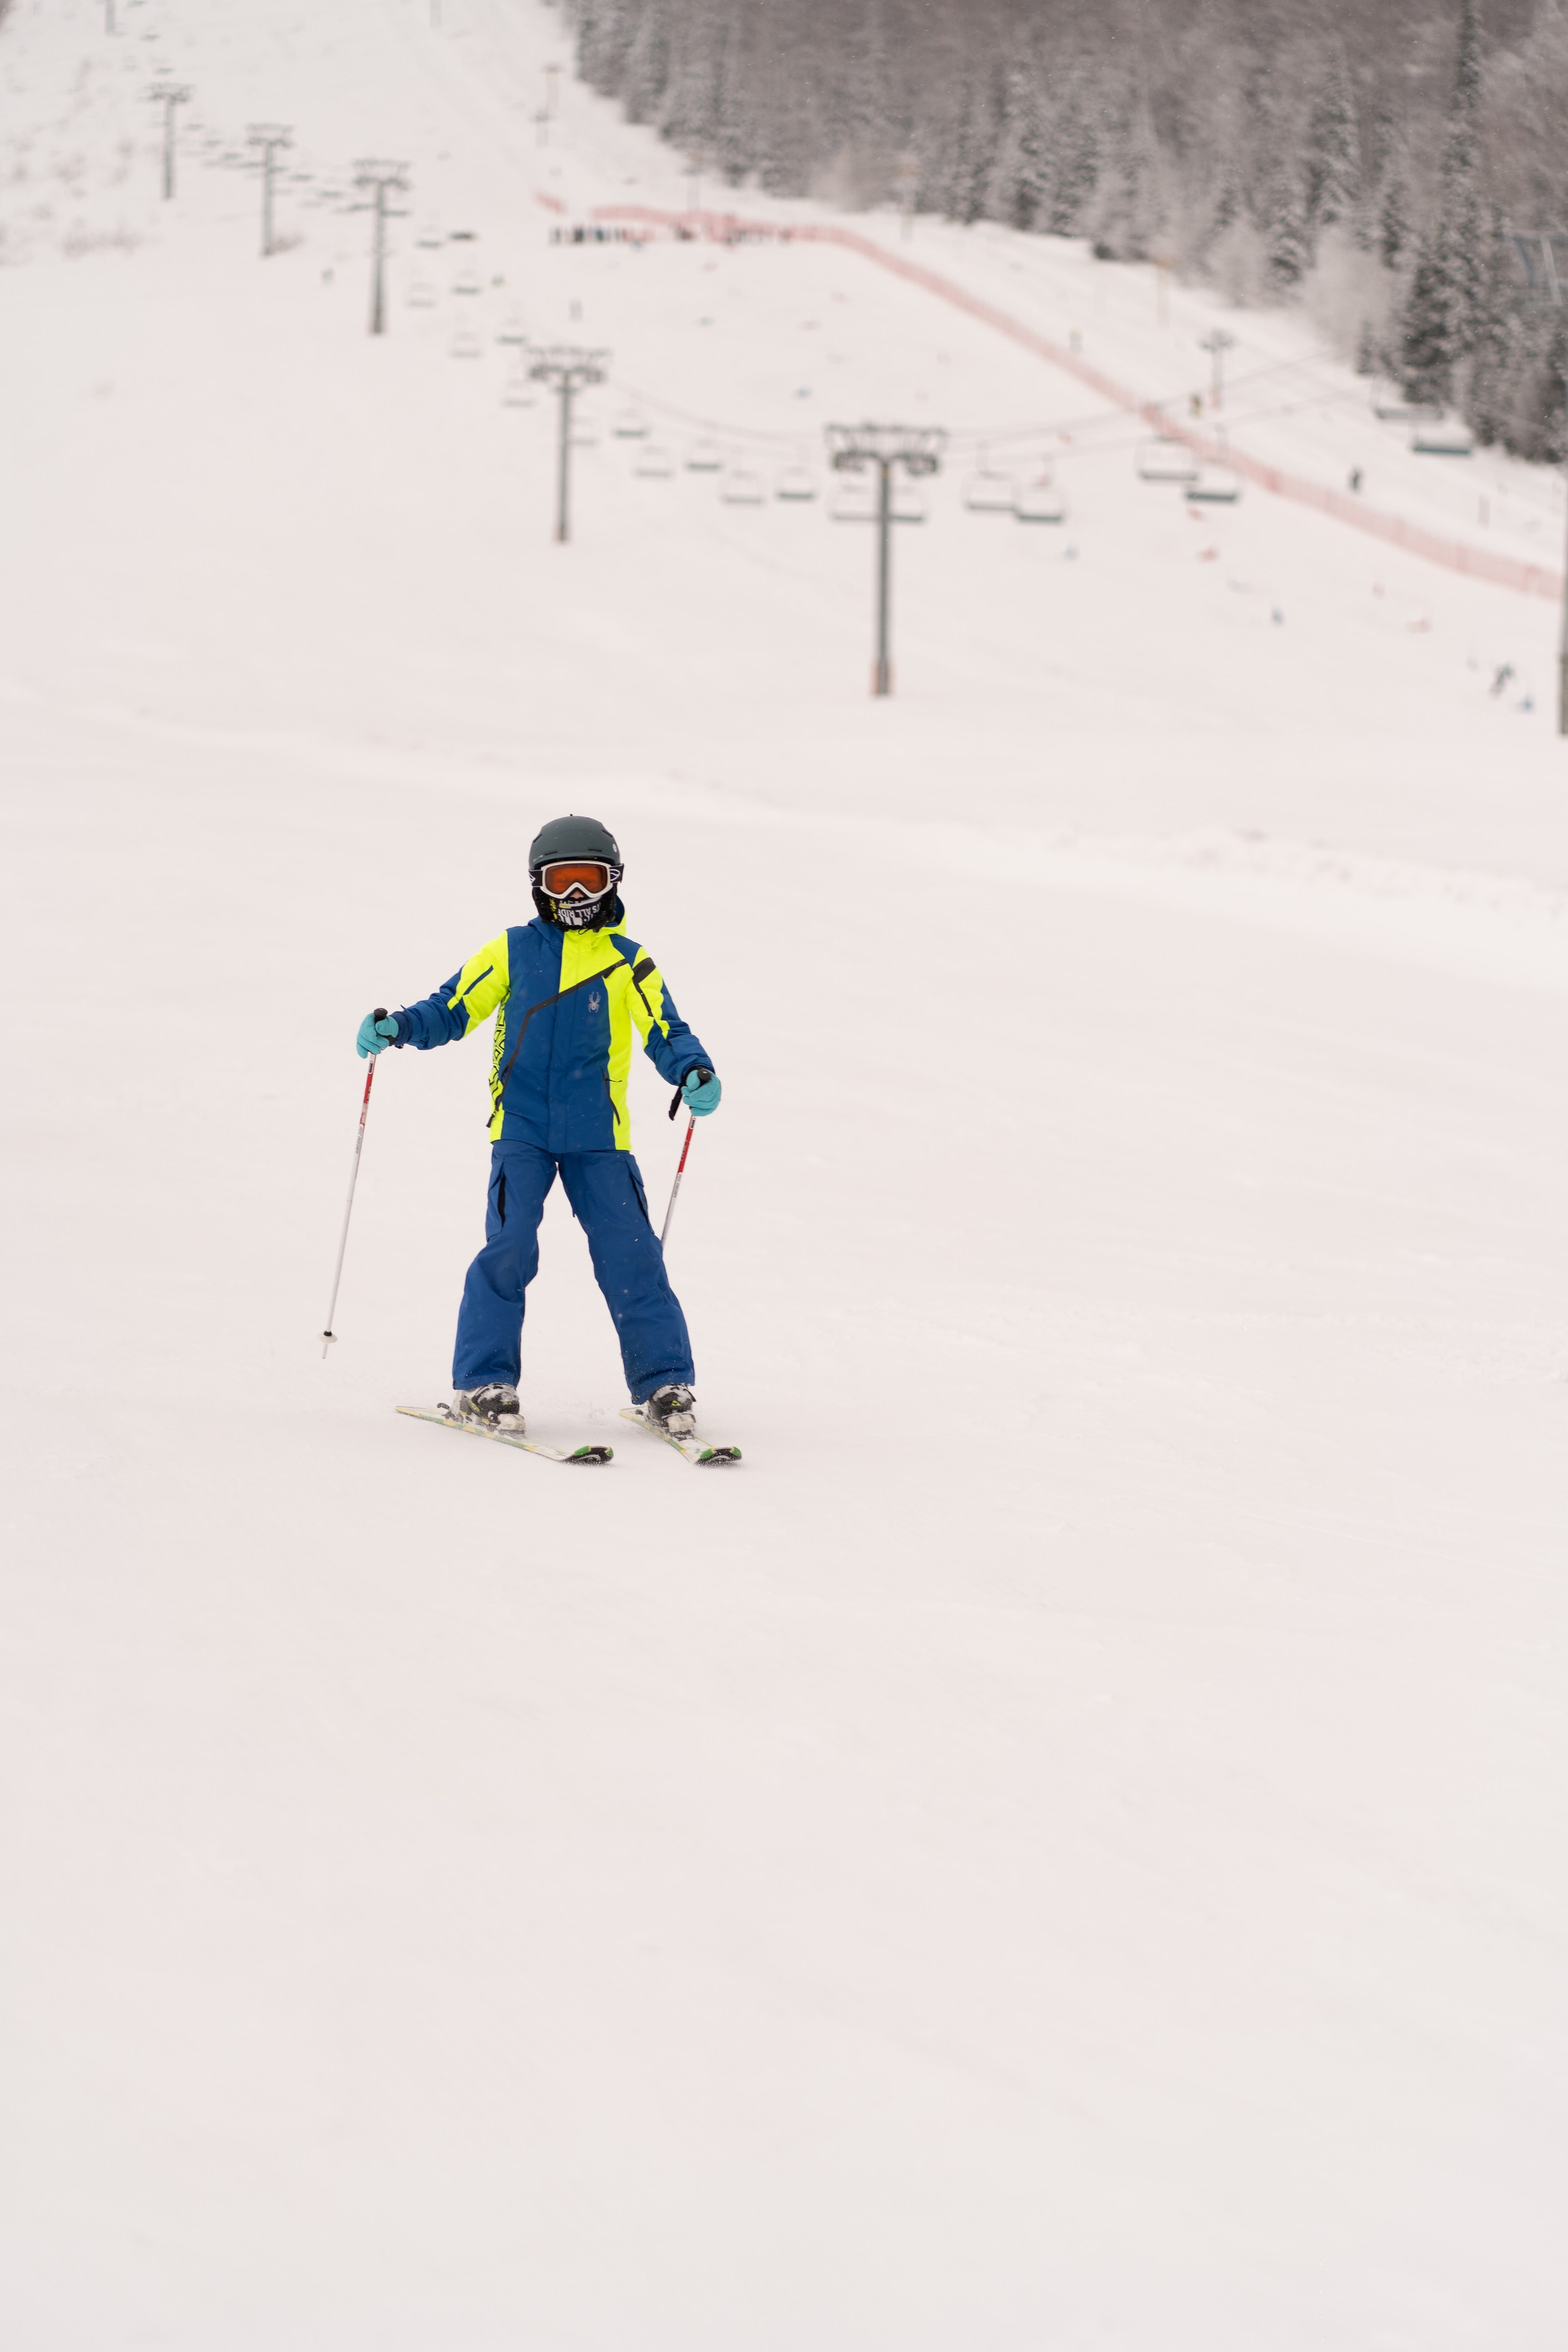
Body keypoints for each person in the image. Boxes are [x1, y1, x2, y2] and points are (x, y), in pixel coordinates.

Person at [356, 816, 720, 1439]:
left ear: (613, 884)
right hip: (521, 1128)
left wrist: (693, 1069)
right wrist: (402, 1027)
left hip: (599, 1137)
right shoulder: (512, 951)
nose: (575, 897)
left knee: (632, 1255)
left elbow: (667, 1030)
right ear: (538, 886)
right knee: (509, 1247)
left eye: (589, 881)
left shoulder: (628, 963)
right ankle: (484, 1383)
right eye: (562, 882)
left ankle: (664, 1383)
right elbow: (453, 1007)